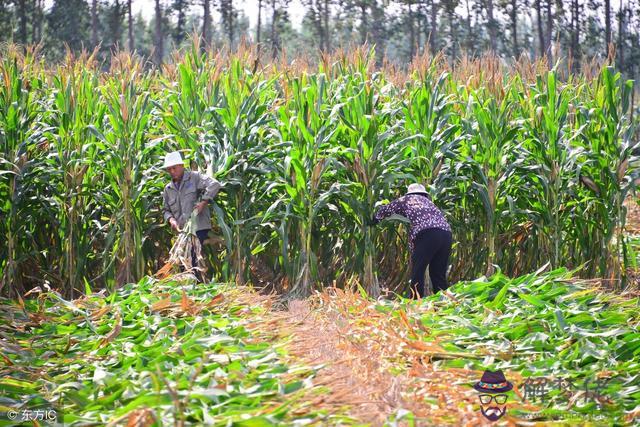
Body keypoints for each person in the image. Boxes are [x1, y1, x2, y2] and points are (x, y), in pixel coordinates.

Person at [371, 183, 452, 298]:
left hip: (428, 233)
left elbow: (388, 208)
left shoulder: (407, 199)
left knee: (418, 271)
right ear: (424, 194)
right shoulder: (430, 204)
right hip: (446, 234)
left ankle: (416, 303)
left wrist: (375, 218)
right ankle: (443, 304)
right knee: (438, 274)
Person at [162, 151, 221, 282]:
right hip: (183, 230)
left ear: (181, 165)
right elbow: (165, 210)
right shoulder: (168, 189)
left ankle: (194, 287)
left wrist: (203, 202)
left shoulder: (195, 178)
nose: (172, 171)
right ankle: (191, 288)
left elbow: (215, 184)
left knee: (192, 256)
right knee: (183, 260)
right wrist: (171, 220)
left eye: (174, 168)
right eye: (169, 169)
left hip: (198, 227)